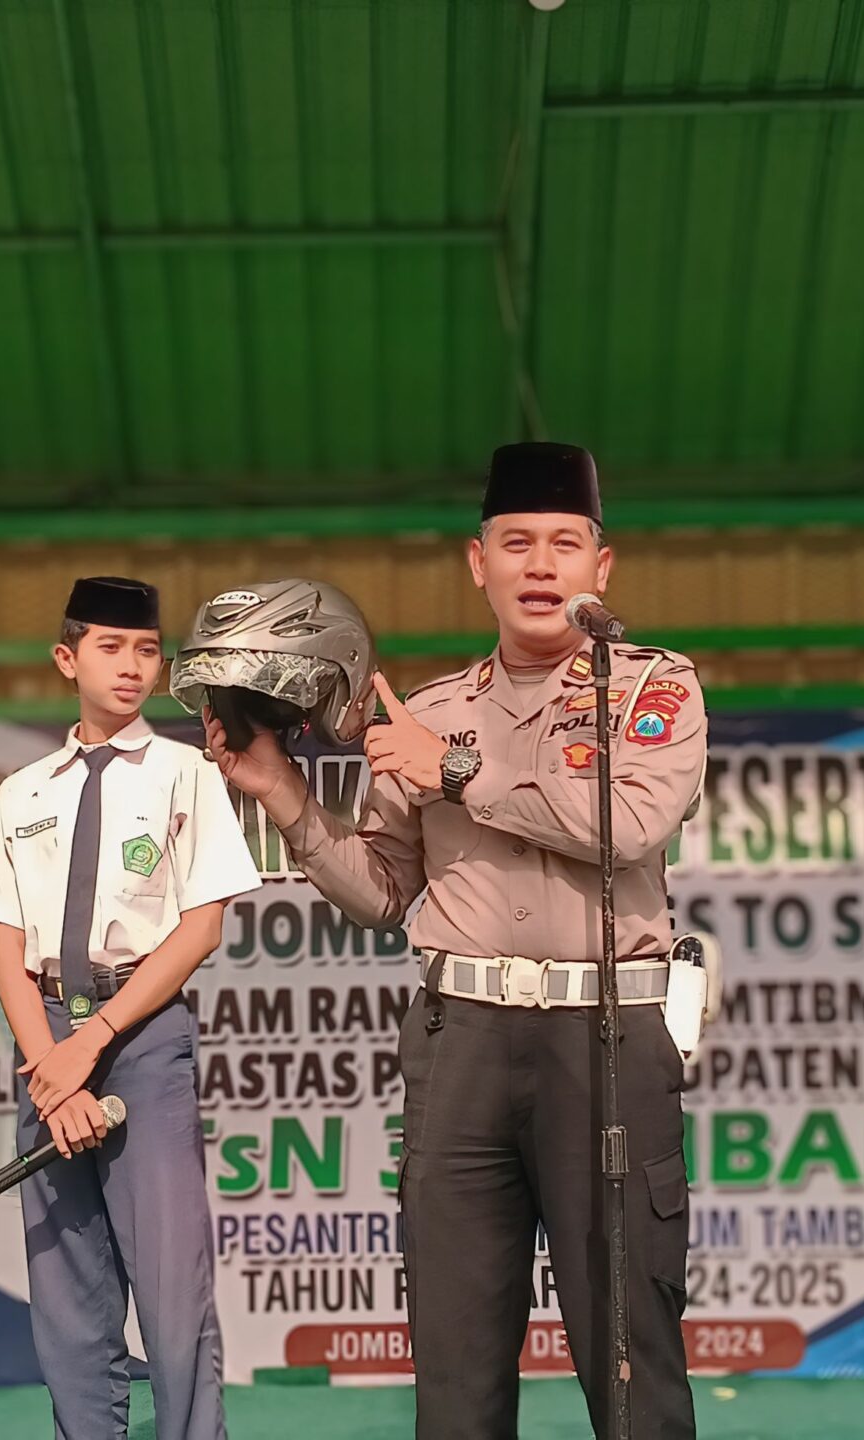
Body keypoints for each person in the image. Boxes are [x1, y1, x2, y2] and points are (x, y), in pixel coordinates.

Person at [207, 443, 707, 1439]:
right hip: (461, 1036)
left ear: (599, 570)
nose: (538, 565)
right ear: (475, 562)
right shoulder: (427, 712)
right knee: (455, 1351)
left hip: (603, 1035)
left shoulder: (653, 690)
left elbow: (629, 827)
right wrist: (286, 799)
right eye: (514, 543)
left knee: (628, 1347)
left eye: (564, 544)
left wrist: (455, 772)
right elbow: (387, 892)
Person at [0, 576, 263, 1440]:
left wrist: (92, 1042)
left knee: (175, 1293)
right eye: (110, 647)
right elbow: (5, 948)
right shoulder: (21, 790)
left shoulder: (187, 774)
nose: (133, 666)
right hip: (44, 1041)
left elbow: (201, 929)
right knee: (67, 1297)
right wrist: (56, 1077)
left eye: (146, 650)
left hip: (139, 1033)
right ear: (67, 658)